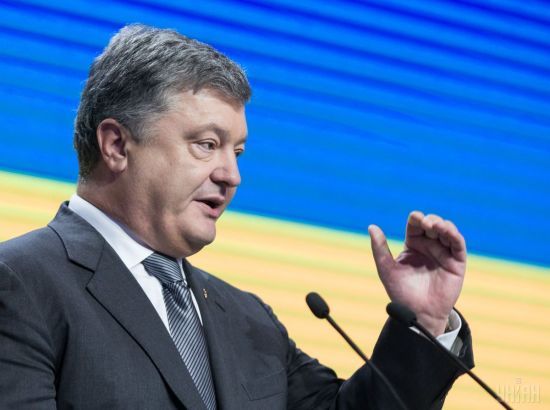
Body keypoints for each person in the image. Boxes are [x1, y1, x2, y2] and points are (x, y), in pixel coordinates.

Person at [0, 24, 473, 409]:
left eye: (237, 152)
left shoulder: (247, 318)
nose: (231, 175)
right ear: (117, 145)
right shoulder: (21, 283)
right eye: (206, 144)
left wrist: (425, 322)